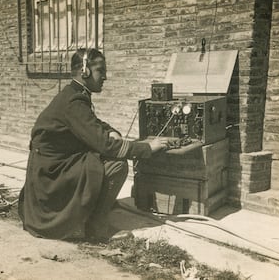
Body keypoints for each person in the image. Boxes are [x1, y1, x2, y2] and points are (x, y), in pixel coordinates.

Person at [18, 48, 170, 241]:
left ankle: (91, 210)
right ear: (85, 72)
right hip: (52, 175)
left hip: (51, 166)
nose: (105, 76)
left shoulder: (74, 93)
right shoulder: (74, 101)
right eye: (101, 70)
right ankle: (96, 229)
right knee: (116, 164)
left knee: (99, 159)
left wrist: (109, 130)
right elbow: (106, 146)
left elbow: (90, 122)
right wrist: (147, 148)